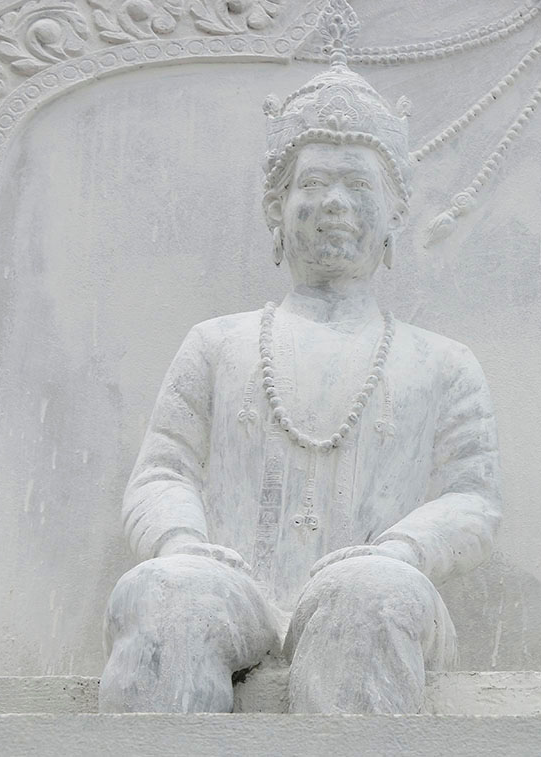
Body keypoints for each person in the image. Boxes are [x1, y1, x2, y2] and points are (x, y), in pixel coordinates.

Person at [99, 45, 501, 715]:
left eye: (357, 184)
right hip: (229, 581)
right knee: (166, 595)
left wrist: (402, 548)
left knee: (368, 594)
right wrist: (185, 543)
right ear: (276, 208)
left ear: (395, 212)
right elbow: (161, 472)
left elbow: (472, 498)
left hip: (375, 578)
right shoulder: (217, 343)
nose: (334, 203)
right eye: (312, 185)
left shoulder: (443, 362)